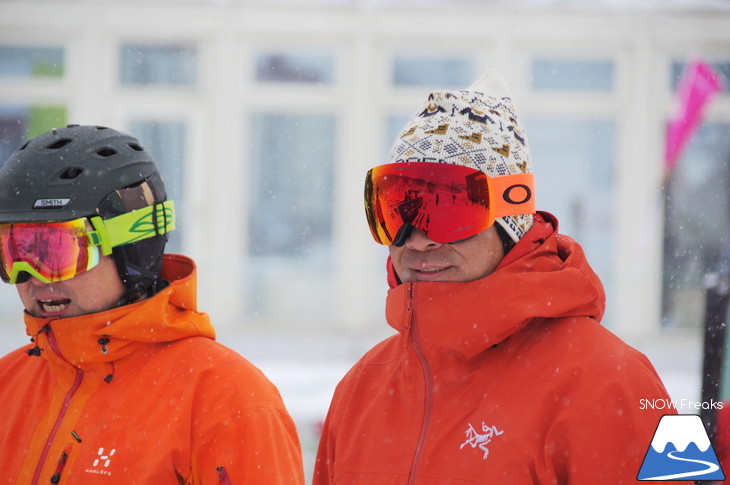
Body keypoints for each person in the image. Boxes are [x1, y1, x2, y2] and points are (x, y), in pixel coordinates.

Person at [313, 71, 691, 484]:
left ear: (510, 221)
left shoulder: (610, 383)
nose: (417, 241)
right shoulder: (362, 389)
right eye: (398, 211)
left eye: (447, 211)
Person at [0, 125, 305, 484]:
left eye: (56, 251)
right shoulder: (8, 385)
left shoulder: (224, 399)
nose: (33, 276)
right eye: (13, 252)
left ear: (131, 250)